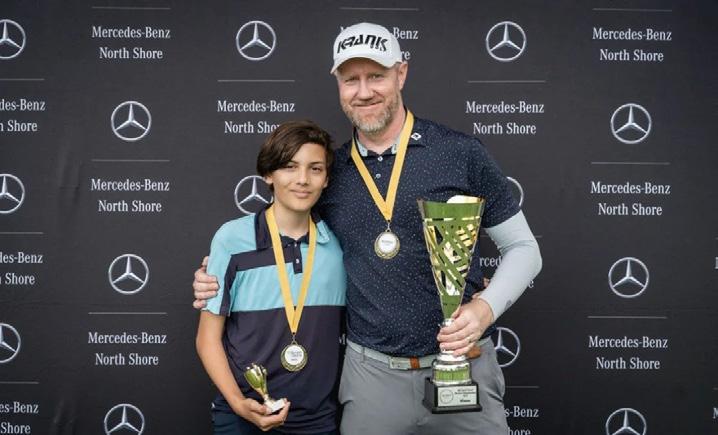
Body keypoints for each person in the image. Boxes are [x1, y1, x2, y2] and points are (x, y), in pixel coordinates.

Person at [195, 23, 542, 434]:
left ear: (401, 73)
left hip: (465, 364)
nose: (364, 91)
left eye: (376, 76)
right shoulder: (330, 173)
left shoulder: (459, 152)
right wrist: (216, 277)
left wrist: (486, 308)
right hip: (371, 377)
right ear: (339, 85)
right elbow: (286, 236)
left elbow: (524, 249)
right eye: (351, 79)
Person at [196, 120, 346, 435]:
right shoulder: (231, 240)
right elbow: (207, 338)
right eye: (290, 167)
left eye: (315, 169)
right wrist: (238, 403)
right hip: (241, 416)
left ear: (326, 179)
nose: (302, 179)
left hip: (316, 420)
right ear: (268, 174)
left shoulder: (338, 246)